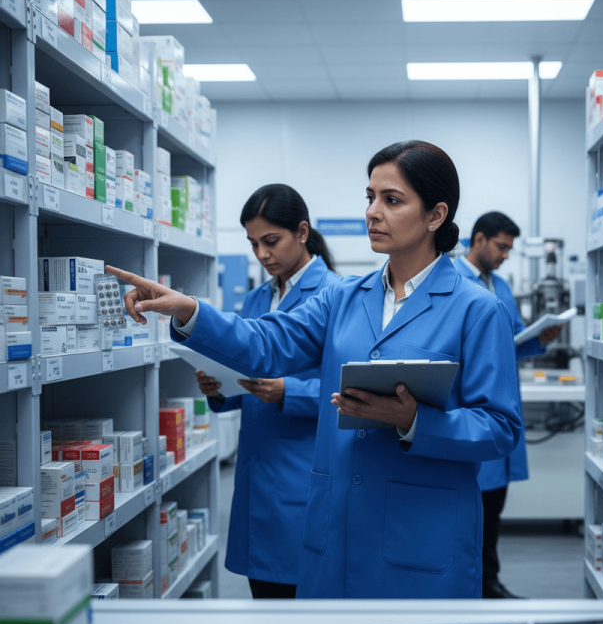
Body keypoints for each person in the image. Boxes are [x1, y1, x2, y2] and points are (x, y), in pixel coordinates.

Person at [108, 140, 523, 600]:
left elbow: (501, 428)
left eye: (392, 200)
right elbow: (266, 342)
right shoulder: (344, 298)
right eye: (370, 197)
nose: (372, 212)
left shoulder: (477, 310)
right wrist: (190, 310)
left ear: (435, 215)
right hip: (339, 525)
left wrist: (412, 420)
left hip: (420, 530)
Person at [195, 184, 338, 599]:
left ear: (302, 232)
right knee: (265, 598)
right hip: (257, 472)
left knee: (303, 597)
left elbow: (347, 389)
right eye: (254, 243)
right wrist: (218, 386)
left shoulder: (336, 295)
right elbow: (245, 371)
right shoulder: (257, 299)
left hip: (302, 470)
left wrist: (289, 392)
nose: (261, 254)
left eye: (271, 241)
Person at [455, 211, 562, 599]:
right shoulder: (455, 282)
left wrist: (540, 338)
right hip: (472, 409)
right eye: (501, 247)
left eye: (508, 249)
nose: (504, 255)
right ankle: (470, 586)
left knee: (493, 506)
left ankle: (488, 582)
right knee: (469, 510)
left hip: (500, 405)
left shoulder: (498, 285)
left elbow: (513, 342)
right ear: (478, 240)